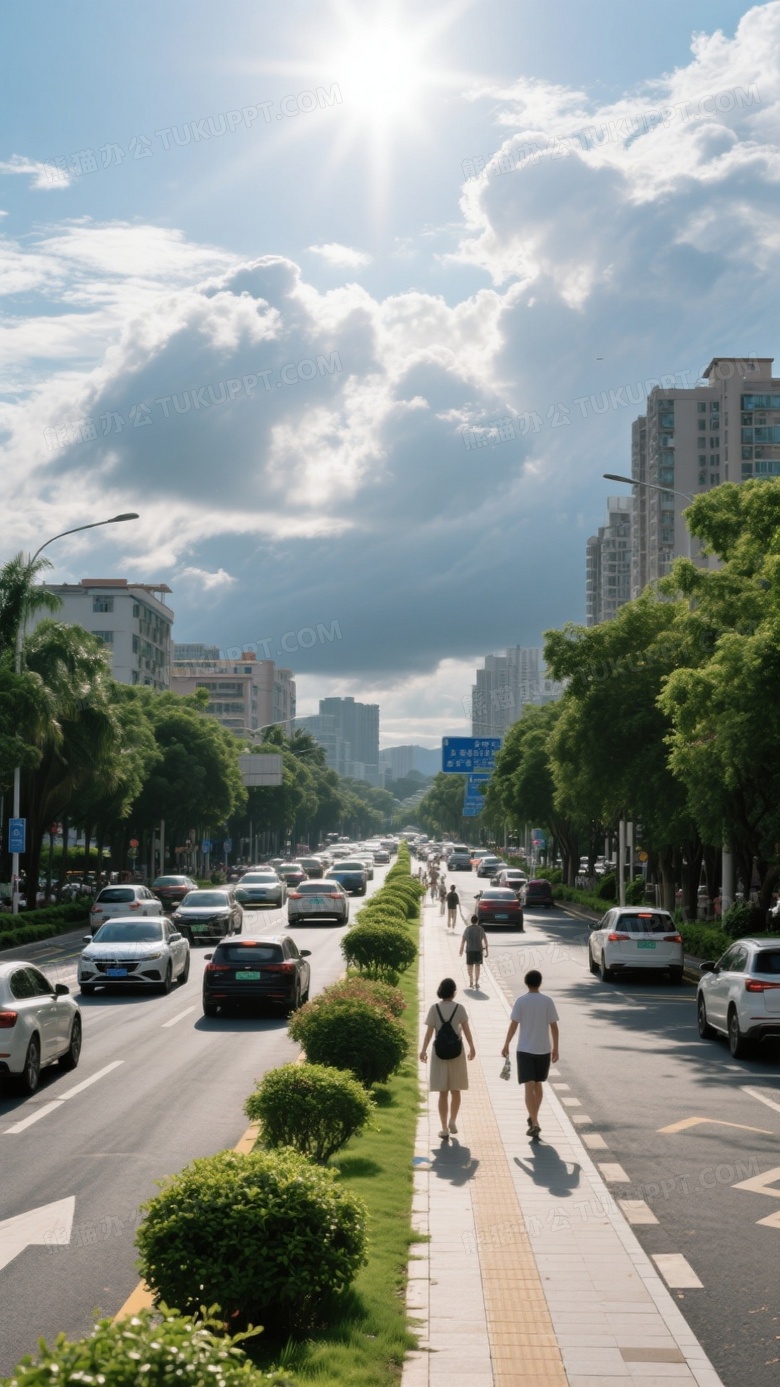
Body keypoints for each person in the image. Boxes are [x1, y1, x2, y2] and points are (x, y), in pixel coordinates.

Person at [501, 969, 559, 1140]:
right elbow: (554, 1027)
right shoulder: (547, 1001)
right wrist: (556, 1048)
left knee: (529, 1085)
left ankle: (534, 1121)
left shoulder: (521, 1001)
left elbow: (514, 1024)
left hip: (524, 1049)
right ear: (540, 983)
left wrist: (506, 1044)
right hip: (543, 1049)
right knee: (538, 1084)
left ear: (526, 983)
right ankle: (534, 1120)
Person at [419, 977, 476, 1139]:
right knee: (456, 1090)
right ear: (454, 992)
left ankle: (444, 1128)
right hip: (456, 1053)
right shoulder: (459, 1008)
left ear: (440, 991)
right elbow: (466, 1029)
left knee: (443, 1092)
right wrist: (472, 1047)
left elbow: (429, 1033)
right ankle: (452, 1120)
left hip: (439, 1054)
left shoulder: (434, 1008)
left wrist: (423, 1050)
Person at [460, 913, 488, 988]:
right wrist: (487, 951)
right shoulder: (481, 929)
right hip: (478, 950)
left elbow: (463, 940)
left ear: (471, 921)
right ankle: (476, 982)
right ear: (477, 921)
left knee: (470, 966)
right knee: (477, 967)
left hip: (469, 950)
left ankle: (471, 980)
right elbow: (485, 941)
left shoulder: (467, 929)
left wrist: (461, 950)